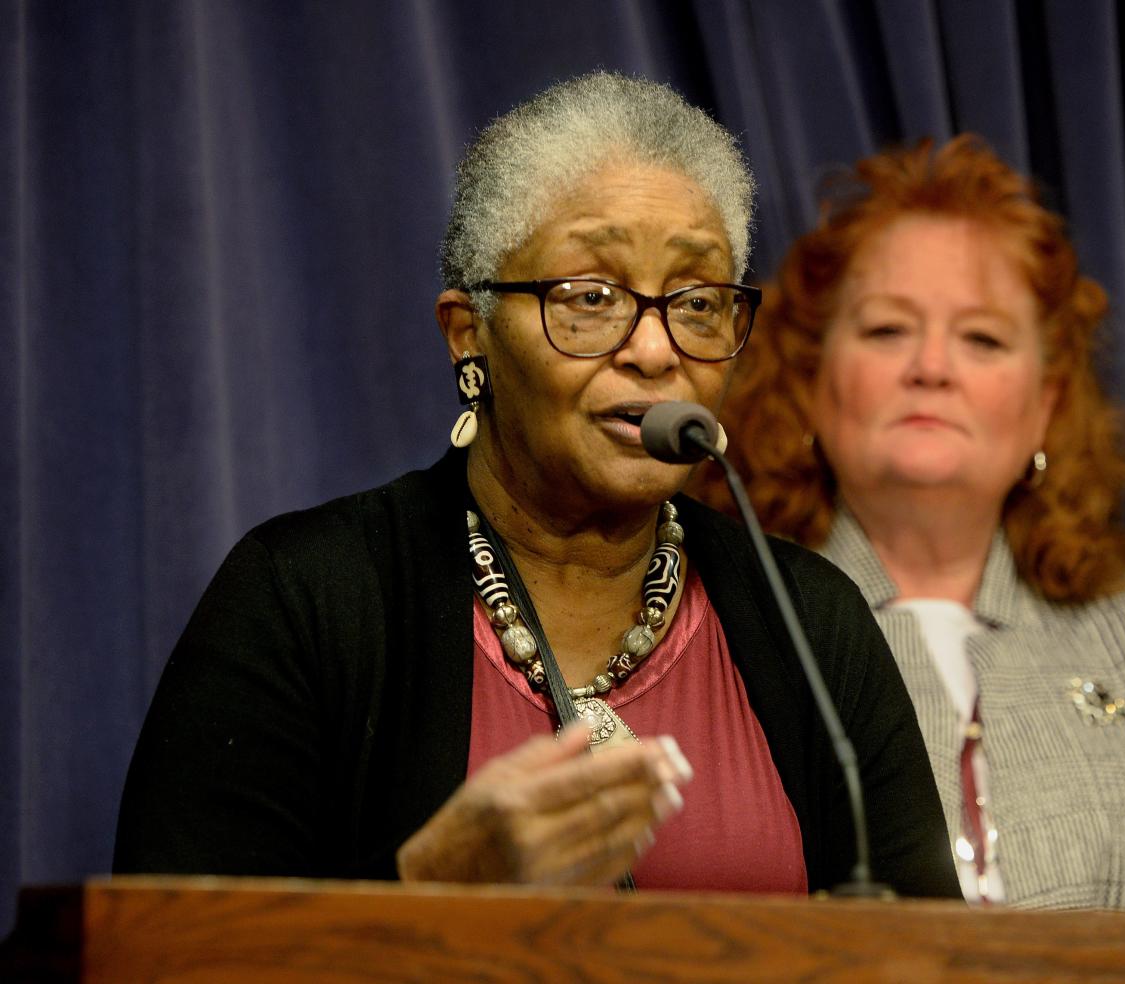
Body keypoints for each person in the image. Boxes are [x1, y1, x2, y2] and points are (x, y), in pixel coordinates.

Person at [113, 73, 959, 898]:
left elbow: (929, 960)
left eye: (698, 301)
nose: (657, 351)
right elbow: (163, 956)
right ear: (468, 332)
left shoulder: (810, 623)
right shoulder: (306, 598)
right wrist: (430, 888)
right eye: (591, 297)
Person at [694, 134, 1125, 911]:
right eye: (887, 329)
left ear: (1045, 404)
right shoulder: (716, 626)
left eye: (982, 338)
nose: (932, 366)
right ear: (811, 381)